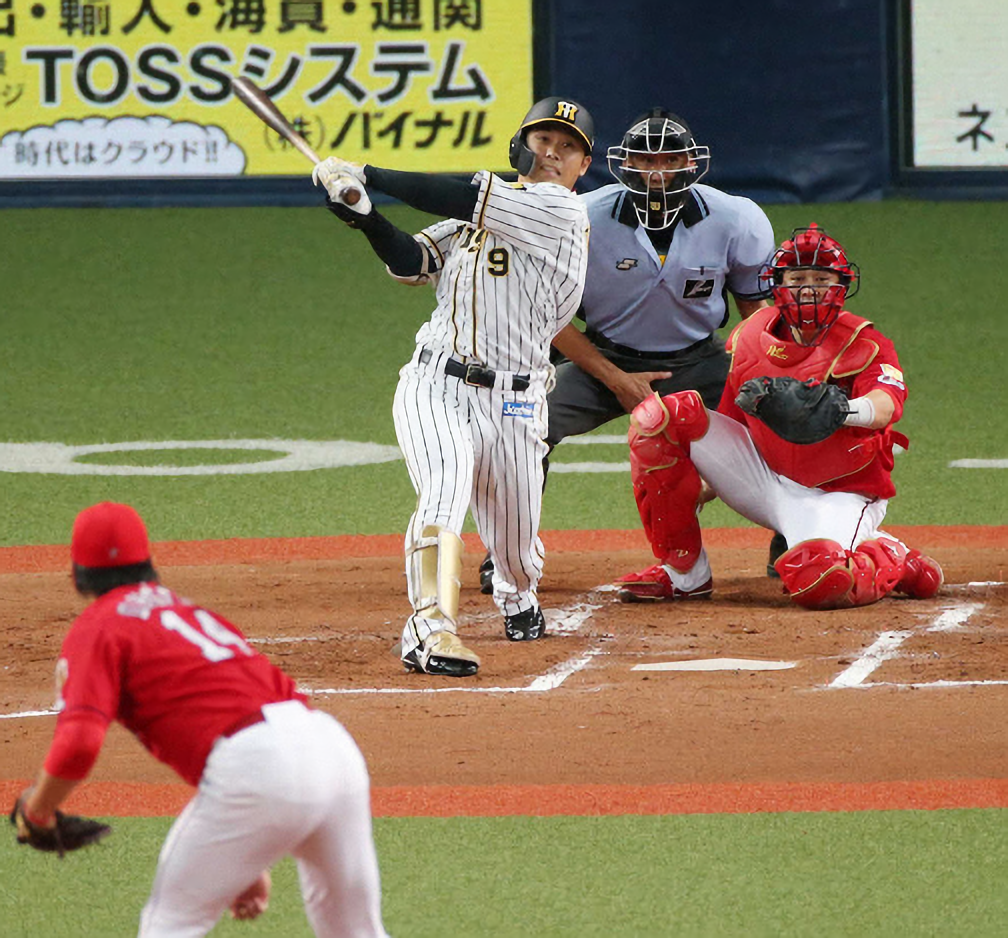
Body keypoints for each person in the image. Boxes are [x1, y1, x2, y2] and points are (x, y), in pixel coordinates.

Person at [12, 502, 389, 937]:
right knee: (356, 931)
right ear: (148, 563)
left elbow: (79, 743)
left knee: (169, 924)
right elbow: (236, 724)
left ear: (76, 575)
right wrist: (243, 862)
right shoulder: (190, 612)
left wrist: (39, 809)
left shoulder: (98, 627)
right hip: (332, 751)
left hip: (259, 770)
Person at [313, 97, 593, 676]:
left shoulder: (562, 211)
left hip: (517, 400)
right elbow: (412, 261)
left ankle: (517, 593)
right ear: (521, 146)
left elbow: (460, 194)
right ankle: (430, 629)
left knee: (516, 550)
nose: (552, 153)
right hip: (435, 383)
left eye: (568, 147)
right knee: (442, 492)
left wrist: (368, 174)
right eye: (543, 140)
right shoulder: (482, 214)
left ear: (583, 166)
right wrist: (364, 215)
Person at [477, 107, 781, 599]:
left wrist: (769, 374)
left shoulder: (737, 218)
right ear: (624, 163)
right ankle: (508, 553)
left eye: (670, 160)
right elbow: (549, 318)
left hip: (698, 362)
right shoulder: (580, 217)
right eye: (645, 160)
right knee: (523, 425)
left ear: (691, 163)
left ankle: (793, 538)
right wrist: (615, 378)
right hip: (602, 360)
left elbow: (755, 311)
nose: (657, 172)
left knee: (784, 411)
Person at [623, 224, 943, 609]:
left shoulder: (866, 342)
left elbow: (886, 405)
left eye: (821, 279)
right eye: (798, 279)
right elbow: (732, 418)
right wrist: (705, 480)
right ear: (778, 285)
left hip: (839, 493)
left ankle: (890, 555)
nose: (809, 289)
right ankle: (684, 576)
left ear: (841, 286)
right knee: (658, 417)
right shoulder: (749, 336)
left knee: (818, 581)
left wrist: (840, 411)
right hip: (764, 479)